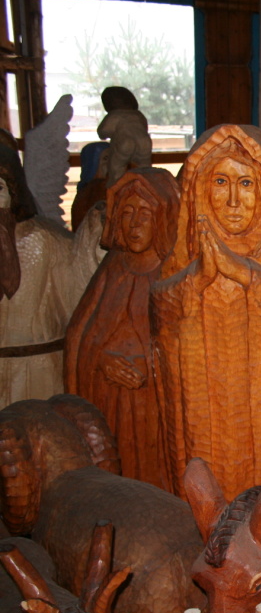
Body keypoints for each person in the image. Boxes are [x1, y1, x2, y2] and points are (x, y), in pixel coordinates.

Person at [151, 124, 261, 499]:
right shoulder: (184, 261)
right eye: (221, 182)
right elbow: (162, 315)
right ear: (201, 190)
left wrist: (244, 274)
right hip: (202, 413)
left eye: (246, 184)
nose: (234, 201)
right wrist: (198, 279)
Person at [65, 168, 179, 490]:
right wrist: (101, 360)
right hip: (109, 405)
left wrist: (151, 366)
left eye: (145, 213)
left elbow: (193, 347)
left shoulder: (177, 273)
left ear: (164, 218)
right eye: (126, 213)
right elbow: (79, 337)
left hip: (156, 414)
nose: (134, 224)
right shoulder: (112, 269)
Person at [0, 145, 104, 406]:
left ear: (13, 192)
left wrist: (92, 235)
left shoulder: (46, 240)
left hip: (39, 372)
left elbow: (78, 289)